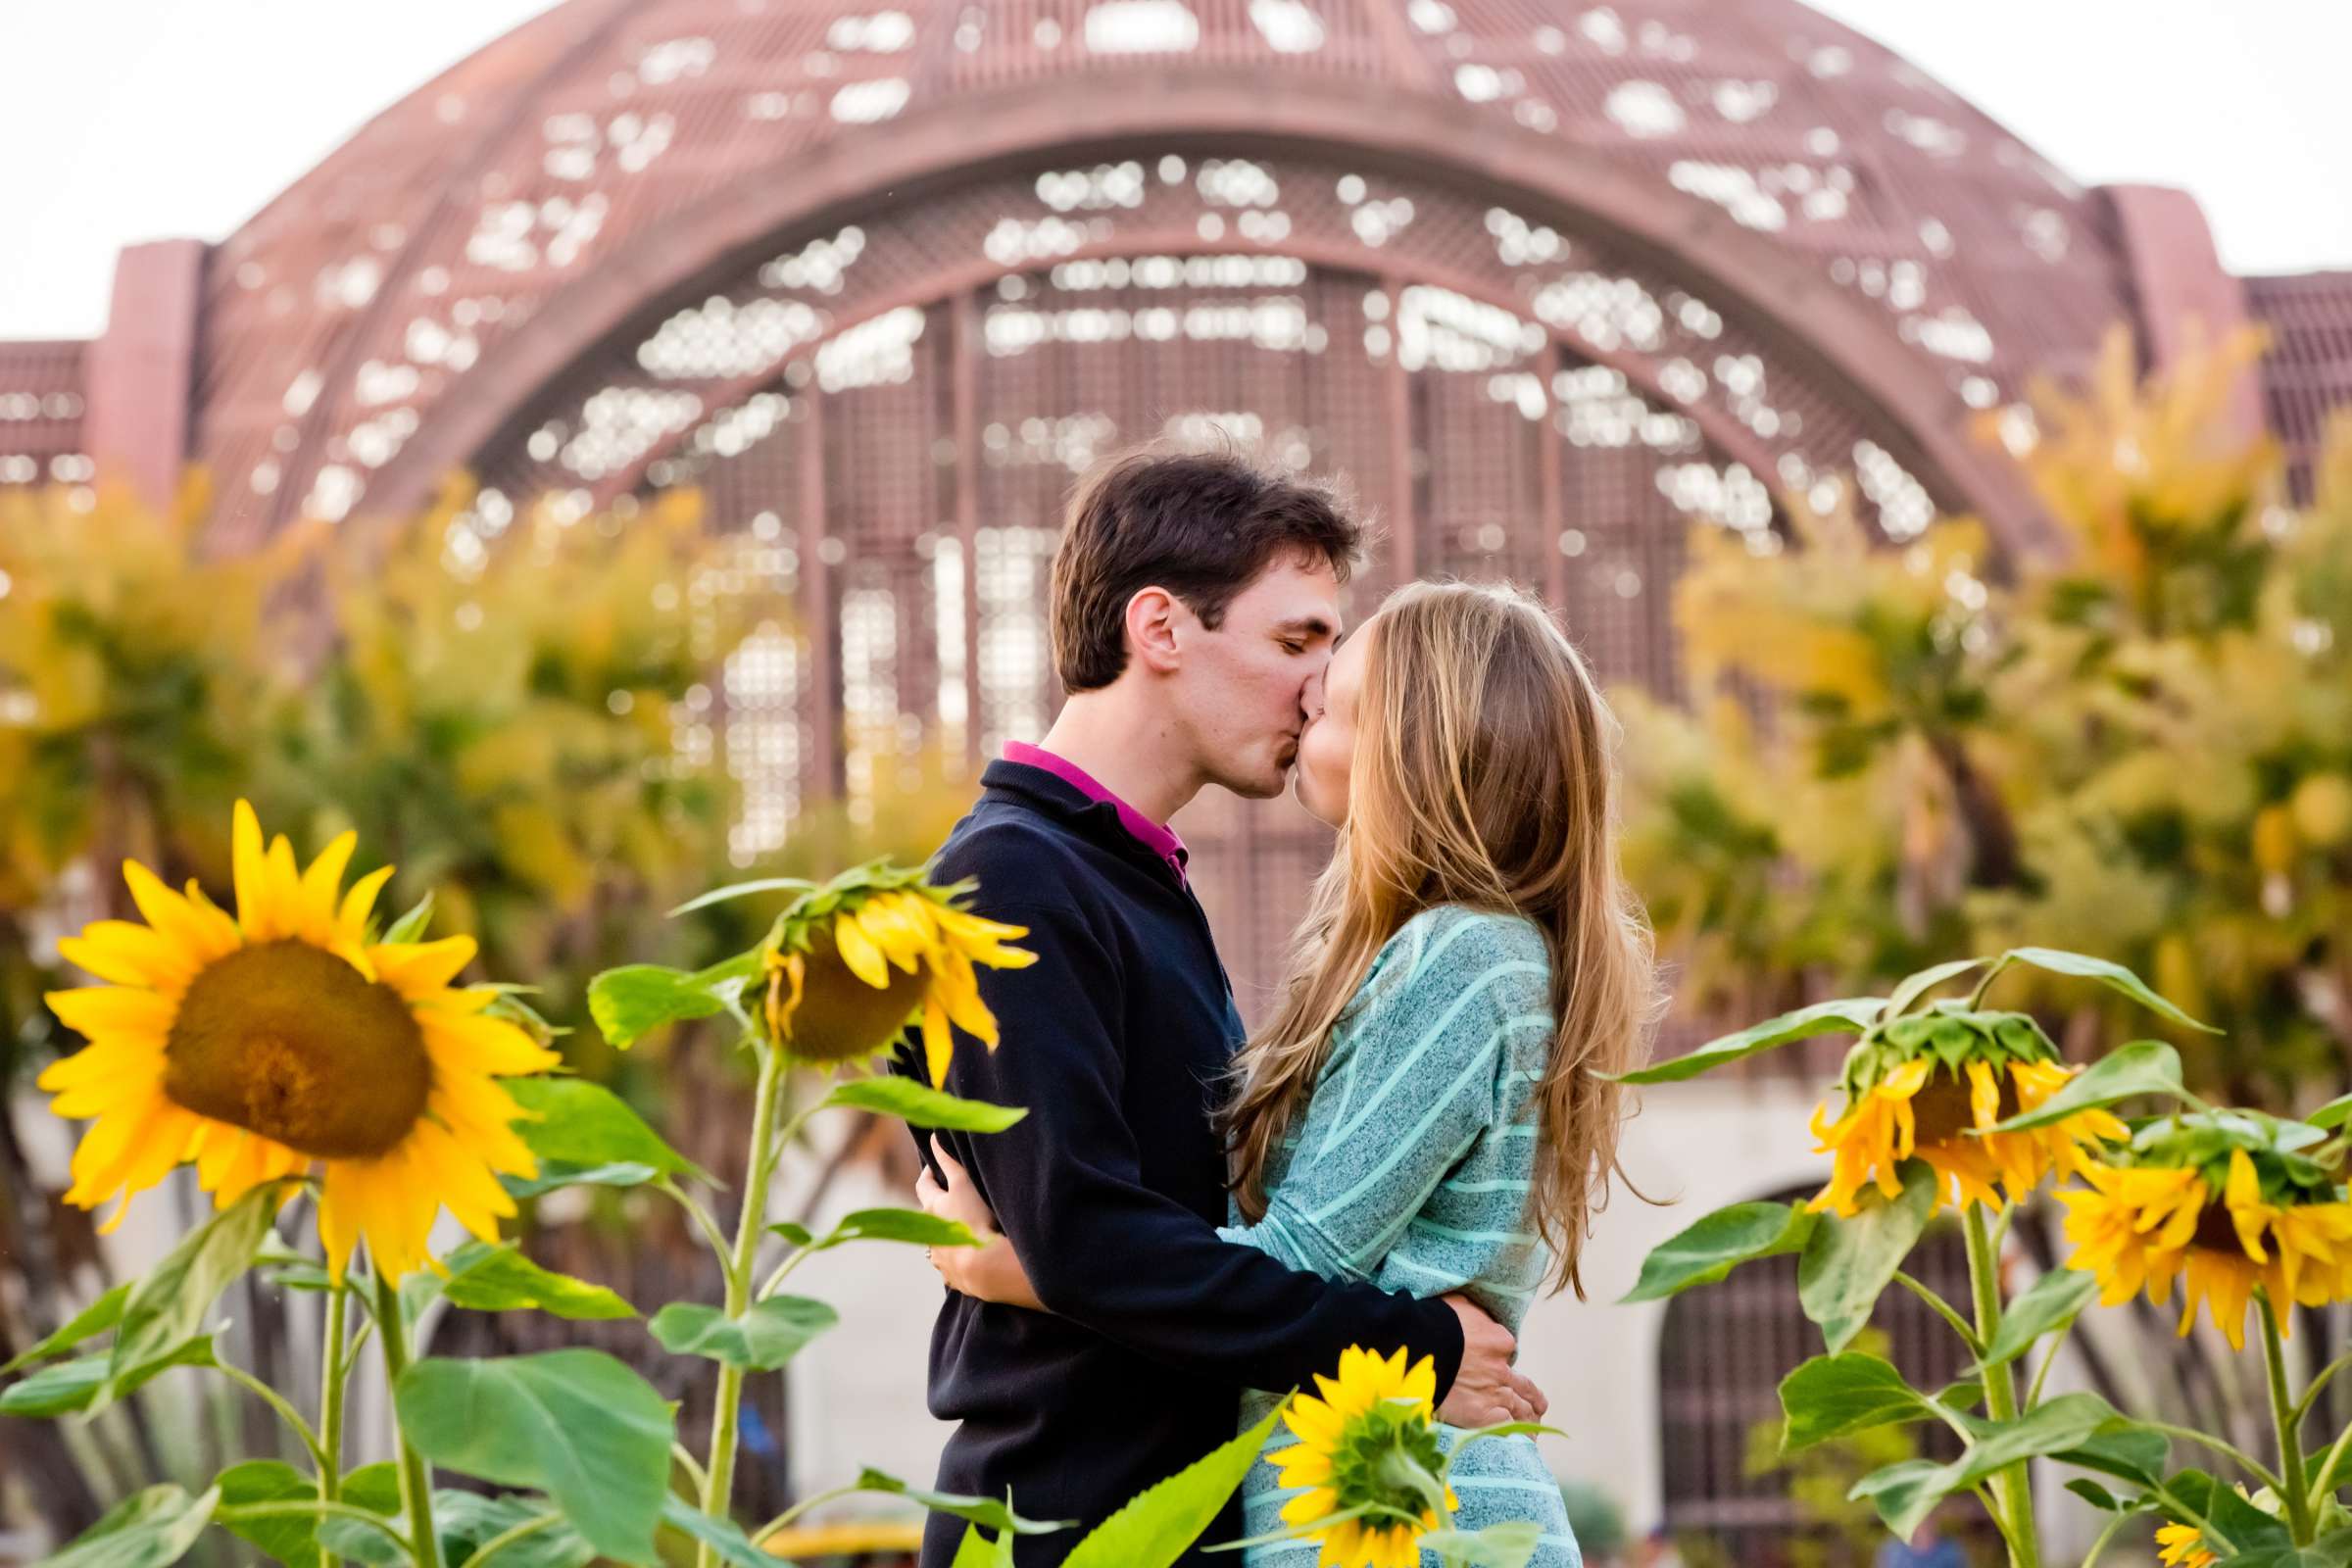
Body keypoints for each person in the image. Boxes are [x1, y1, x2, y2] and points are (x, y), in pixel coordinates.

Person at [921, 571, 1659, 1567]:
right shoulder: (1447, 951)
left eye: (1338, 700)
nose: (1307, 699)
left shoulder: (1461, 958)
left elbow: (1306, 1255)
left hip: (1409, 1512)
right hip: (1372, 1501)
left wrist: (1023, 1270)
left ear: (1414, 747)